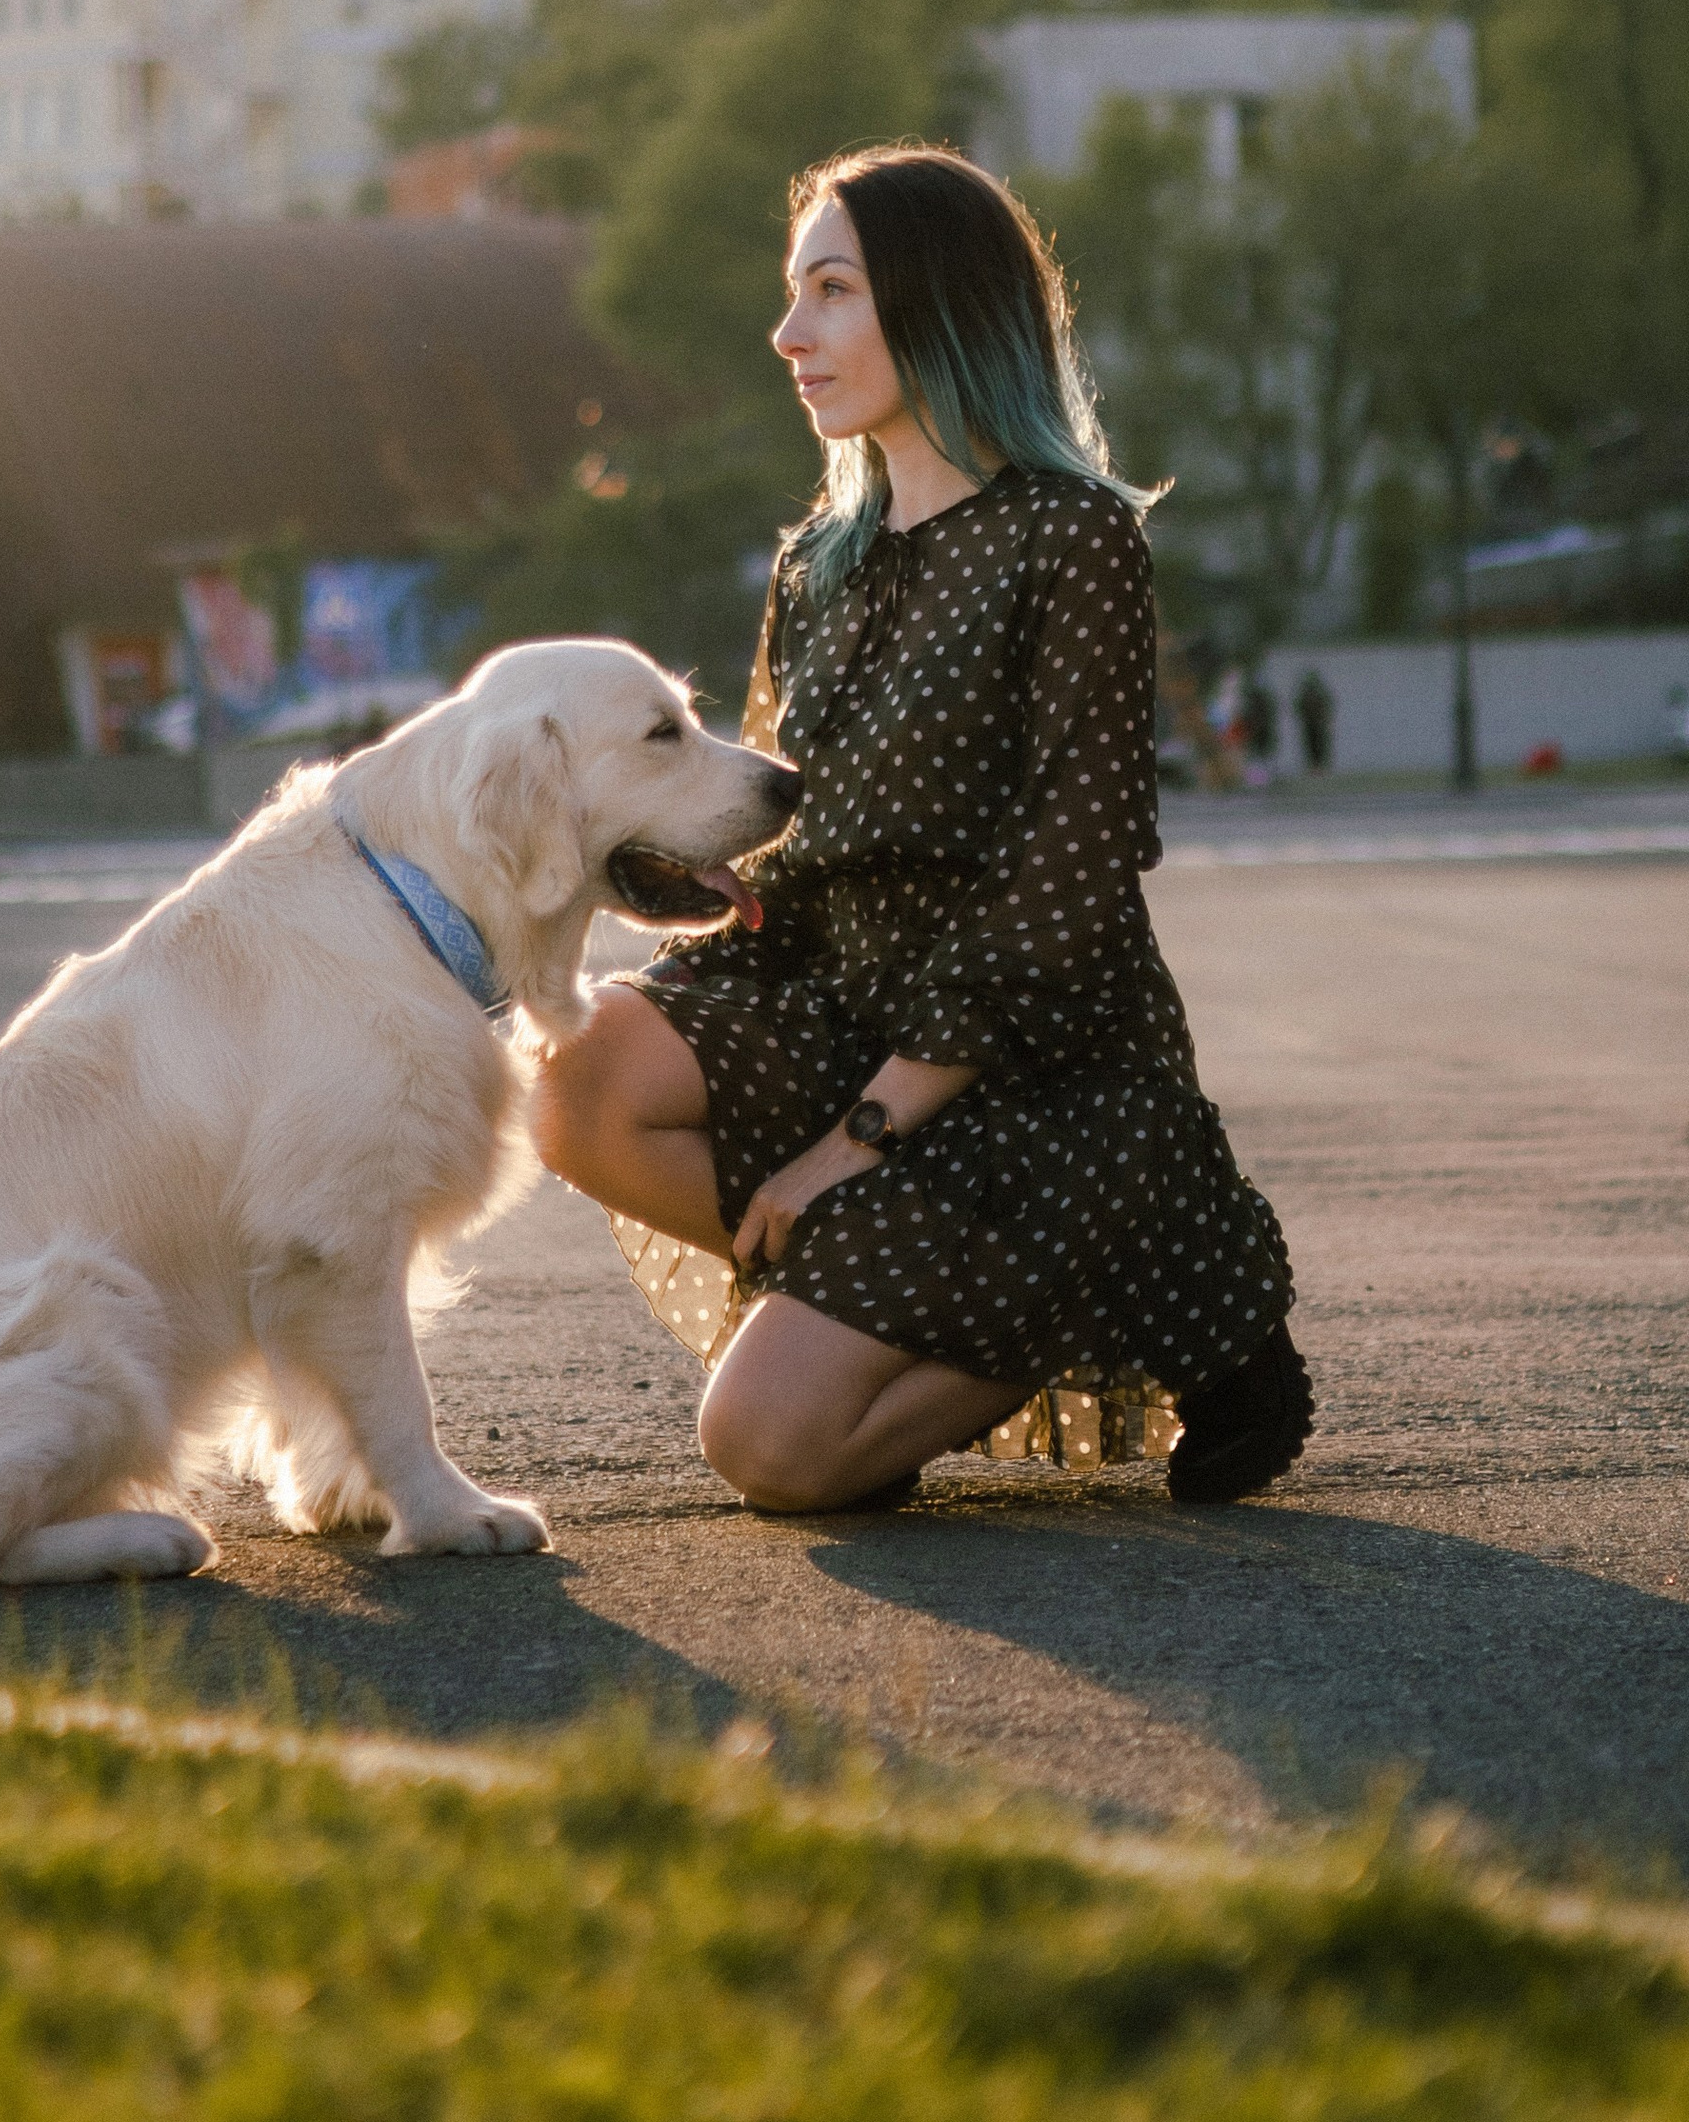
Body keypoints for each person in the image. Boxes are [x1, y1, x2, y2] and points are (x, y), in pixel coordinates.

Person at [535, 140, 1310, 1513]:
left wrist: (857, 1144)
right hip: (841, 1012)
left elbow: (1069, 888)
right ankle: (881, 1305)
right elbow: (790, 850)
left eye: (831, 292)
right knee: (574, 1076)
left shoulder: (1072, 541)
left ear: (941, 304)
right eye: (794, 295)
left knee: (771, 1456)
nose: (789, 335)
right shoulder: (817, 565)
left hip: (1040, 1068)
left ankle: (1123, 1283)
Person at [1295, 667, 1336, 775]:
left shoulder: (1319, 694)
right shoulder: (1306, 695)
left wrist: (1325, 719)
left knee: (1318, 746)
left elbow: (1327, 707)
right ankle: (1314, 768)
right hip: (1311, 724)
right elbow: (1299, 709)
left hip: (1317, 724)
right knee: (1312, 746)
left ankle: (1319, 768)